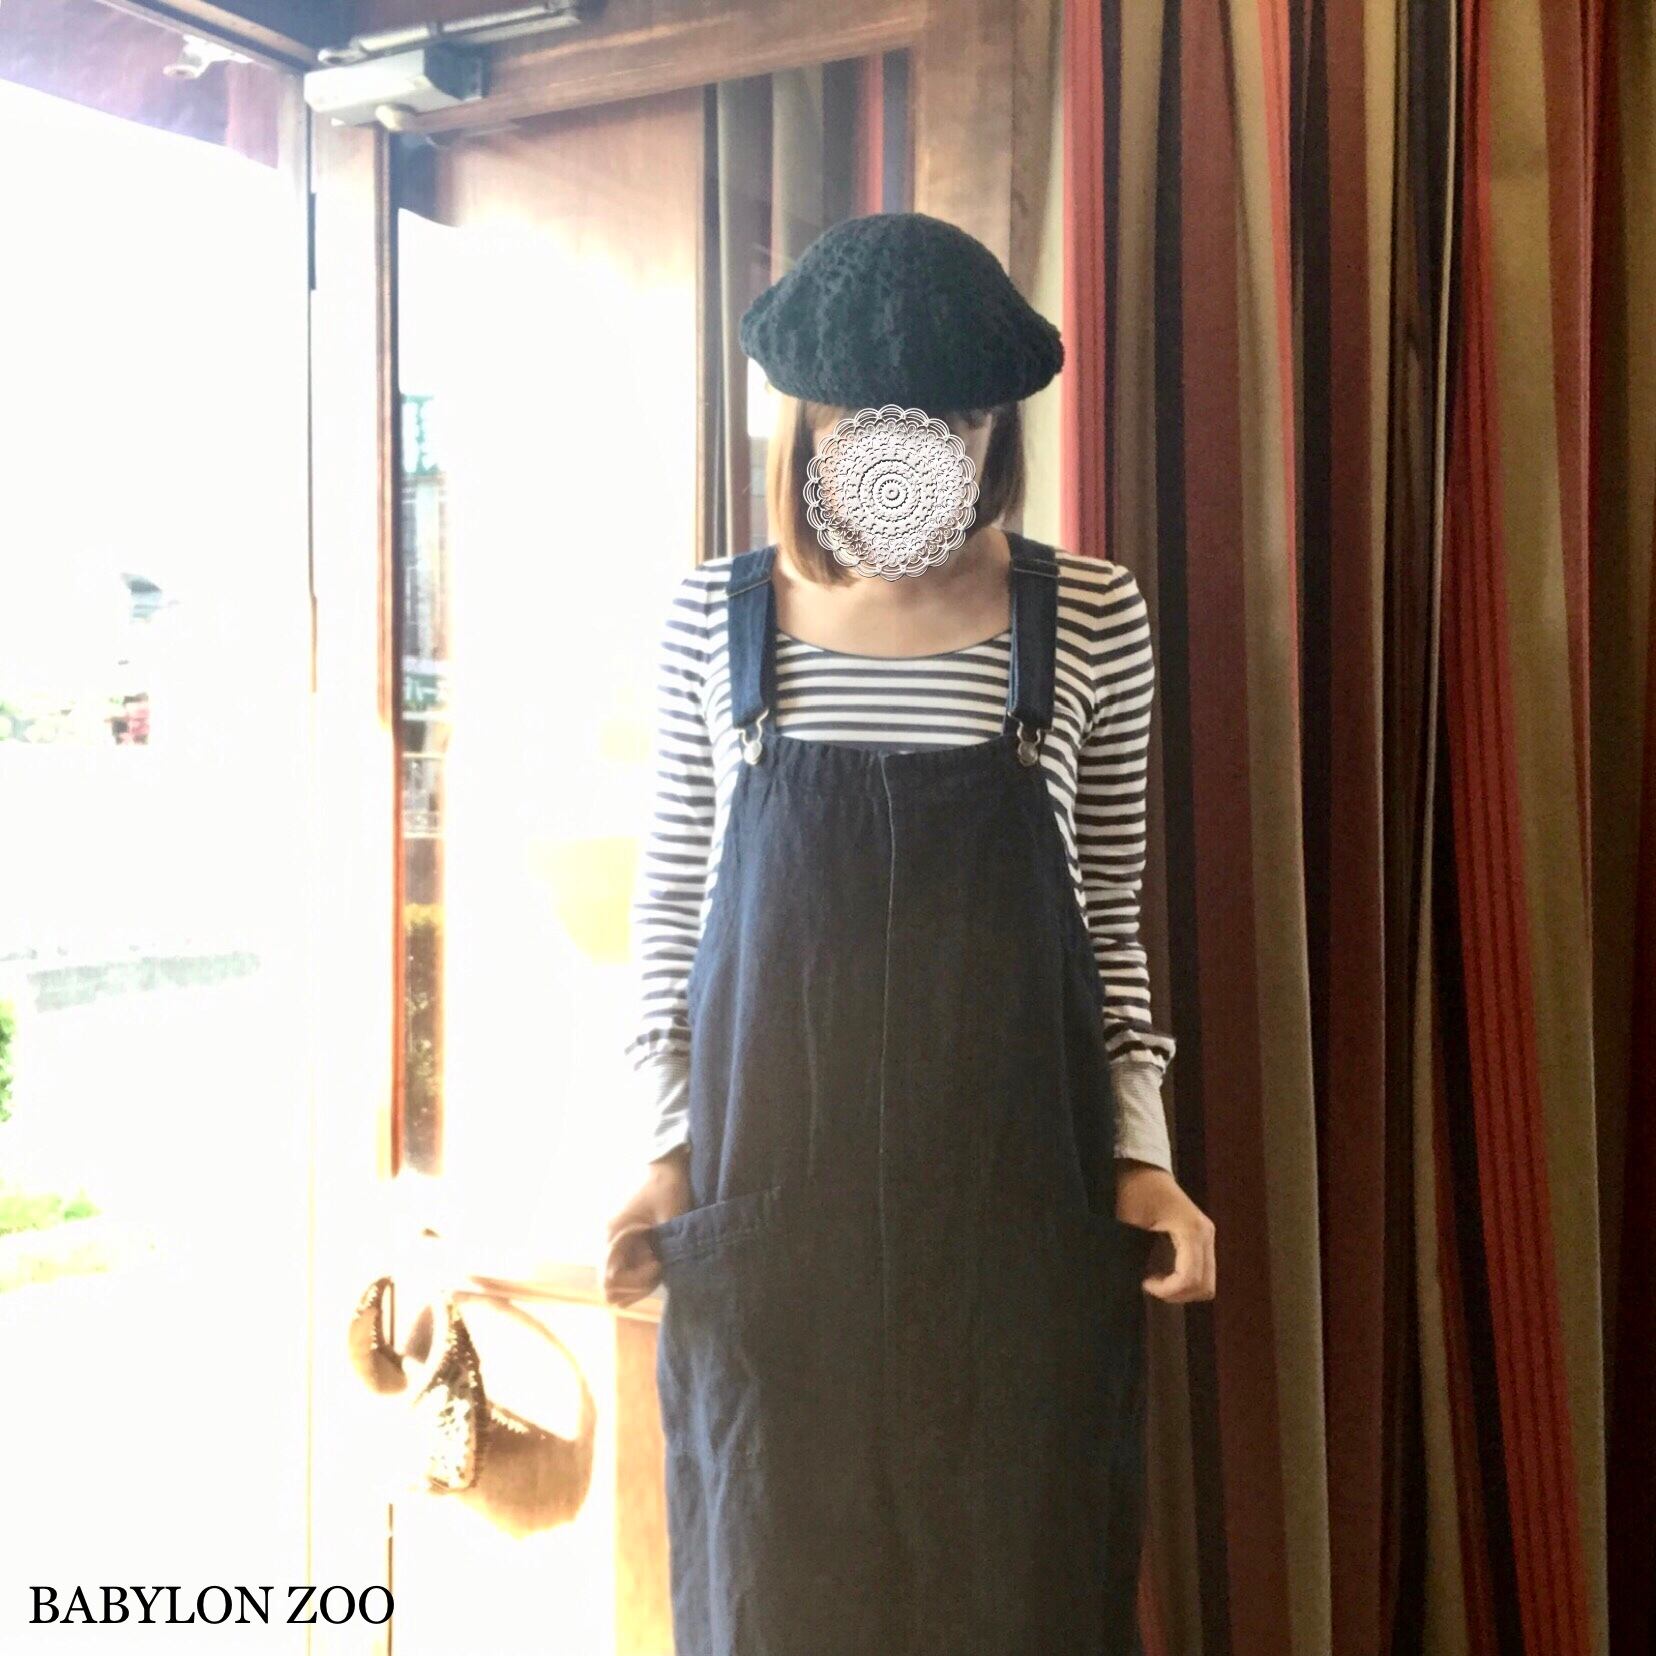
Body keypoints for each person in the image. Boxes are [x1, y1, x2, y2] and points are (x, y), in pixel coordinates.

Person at [601, 211, 1216, 1655]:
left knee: (1019, 1594)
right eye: (872, 421)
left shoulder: (1092, 614)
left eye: (956, 416)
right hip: (773, 1220)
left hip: (1016, 1215)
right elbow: (673, 915)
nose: (916, 452)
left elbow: (1109, 924)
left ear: (996, 422)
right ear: (810, 423)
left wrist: (1143, 1163)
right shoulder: (714, 619)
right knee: (777, 1598)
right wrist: (662, 1156)